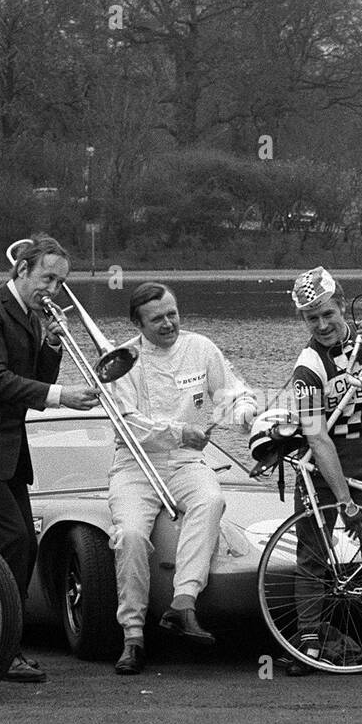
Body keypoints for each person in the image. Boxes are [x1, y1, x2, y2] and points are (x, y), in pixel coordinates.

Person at [0, 234, 99, 682]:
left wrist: (50, 345)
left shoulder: (30, 314)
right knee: (12, 540)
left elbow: (33, 383)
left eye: (61, 282)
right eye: (47, 277)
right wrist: (62, 395)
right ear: (22, 270)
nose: (54, 289)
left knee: (21, 541)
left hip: (6, 449)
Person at [108, 282, 258, 676]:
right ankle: (133, 636)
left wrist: (243, 411)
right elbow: (128, 425)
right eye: (157, 319)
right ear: (137, 323)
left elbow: (232, 391)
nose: (169, 323)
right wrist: (178, 432)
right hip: (135, 464)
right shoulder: (123, 360)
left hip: (187, 460)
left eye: (172, 313)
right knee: (132, 536)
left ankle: (183, 604)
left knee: (211, 500)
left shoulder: (201, 348)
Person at [284, 266, 362, 677]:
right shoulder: (308, 367)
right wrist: (345, 501)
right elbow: (318, 439)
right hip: (321, 458)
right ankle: (307, 645)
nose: (322, 325)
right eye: (311, 318)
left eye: (327, 313)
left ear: (342, 305)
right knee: (313, 554)